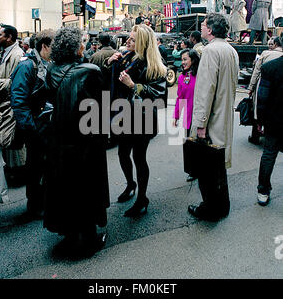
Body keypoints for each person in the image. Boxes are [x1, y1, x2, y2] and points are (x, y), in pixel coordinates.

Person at [43, 27, 110, 258]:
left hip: (59, 141)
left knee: (64, 188)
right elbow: (103, 108)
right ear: (76, 47)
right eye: (82, 42)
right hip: (86, 142)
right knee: (87, 188)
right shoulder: (90, 71)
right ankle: (88, 240)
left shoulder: (52, 70)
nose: (84, 45)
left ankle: (70, 235)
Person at [106, 24, 167, 217]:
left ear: (141, 42)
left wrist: (134, 86)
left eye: (132, 39)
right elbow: (110, 83)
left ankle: (142, 198)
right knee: (123, 153)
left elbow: (159, 95)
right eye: (128, 39)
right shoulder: (125, 57)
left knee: (139, 158)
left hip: (143, 116)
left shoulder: (154, 64)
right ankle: (130, 184)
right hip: (123, 114)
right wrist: (110, 62)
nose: (127, 42)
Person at [188, 13, 239, 221]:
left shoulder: (210, 51)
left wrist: (200, 123)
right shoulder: (231, 50)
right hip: (224, 114)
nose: (201, 27)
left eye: (203, 24)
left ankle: (209, 209)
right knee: (219, 166)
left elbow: (204, 92)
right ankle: (222, 206)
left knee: (206, 168)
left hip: (211, 118)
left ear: (210, 30)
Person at [10, 29, 56, 219]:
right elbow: (19, 100)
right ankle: (34, 205)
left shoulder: (45, 63)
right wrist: (31, 128)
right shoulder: (28, 65)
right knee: (35, 167)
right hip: (35, 127)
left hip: (45, 126)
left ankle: (43, 202)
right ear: (44, 46)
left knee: (44, 166)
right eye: (54, 46)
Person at [0, 24, 26, 183]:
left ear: (9, 37)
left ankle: (18, 172)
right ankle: (14, 171)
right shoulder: (4, 52)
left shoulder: (17, 55)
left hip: (11, 102)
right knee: (7, 139)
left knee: (12, 139)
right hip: (3, 102)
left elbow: (15, 83)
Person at [255, 33, 283, 206]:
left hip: (274, 120)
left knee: (269, 154)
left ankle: (263, 190)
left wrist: (260, 120)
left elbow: (262, 98)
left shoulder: (270, 68)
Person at [248, 36, 283, 145]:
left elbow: (256, 72)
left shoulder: (265, 54)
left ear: (276, 44)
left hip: (263, 86)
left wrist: (251, 87)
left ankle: (256, 136)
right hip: (278, 91)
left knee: (258, 111)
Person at [172, 49, 200, 182]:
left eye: (185, 59)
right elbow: (180, 98)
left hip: (200, 116)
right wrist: (176, 116)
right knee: (189, 145)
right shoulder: (182, 77)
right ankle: (192, 171)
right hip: (188, 118)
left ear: (193, 60)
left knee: (201, 145)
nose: (182, 62)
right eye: (182, 60)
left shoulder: (201, 75)